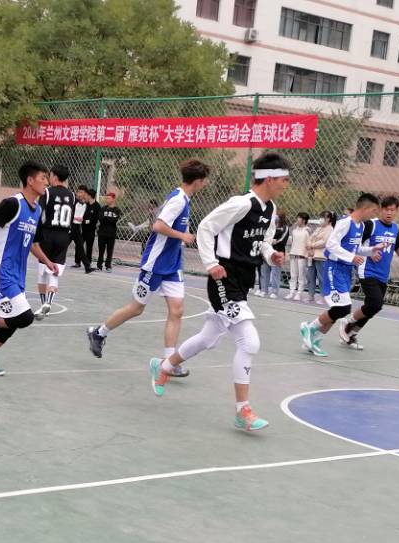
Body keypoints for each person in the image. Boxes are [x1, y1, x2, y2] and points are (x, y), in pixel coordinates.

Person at [149, 153, 290, 431]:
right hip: (224, 278)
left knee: (208, 338)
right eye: (284, 179)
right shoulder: (241, 204)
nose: (286, 184)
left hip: (243, 281)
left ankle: (164, 366)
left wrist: (271, 254)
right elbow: (206, 227)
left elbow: (263, 241)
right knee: (249, 342)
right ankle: (243, 411)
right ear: (269, 179)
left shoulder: (270, 209)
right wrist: (211, 263)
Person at [86, 159, 211, 376]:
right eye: (205, 180)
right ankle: (99, 332)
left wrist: (181, 236)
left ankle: (169, 363)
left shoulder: (184, 198)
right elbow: (158, 226)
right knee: (136, 308)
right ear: (198, 181)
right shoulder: (178, 200)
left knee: (177, 310)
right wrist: (182, 235)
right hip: (155, 264)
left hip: (172, 265)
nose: (206, 183)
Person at [0, 161, 58, 376]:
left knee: (14, 320)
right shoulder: (13, 204)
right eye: (43, 178)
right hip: (2, 273)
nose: (46, 183)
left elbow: (33, 243)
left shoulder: (37, 210)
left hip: (17, 275)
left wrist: (47, 261)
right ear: (30, 180)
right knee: (24, 317)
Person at [299, 194, 382, 358]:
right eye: (373, 211)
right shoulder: (345, 223)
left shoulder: (361, 226)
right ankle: (310, 327)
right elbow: (331, 245)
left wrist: (371, 251)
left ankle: (315, 341)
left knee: (338, 309)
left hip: (346, 270)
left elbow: (355, 249)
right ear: (365, 208)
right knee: (342, 308)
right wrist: (351, 257)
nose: (374, 215)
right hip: (334, 268)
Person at [339, 196, 399, 349]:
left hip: (383, 274)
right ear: (380, 210)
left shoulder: (395, 228)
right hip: (367, 270)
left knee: (373, 307)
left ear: (396, 211)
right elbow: (356, 244)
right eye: (386, 209)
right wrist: (370, 252)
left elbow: (397, 245)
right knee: (375, 303)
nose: (389, 213)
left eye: (392, 210)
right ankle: (347, 321)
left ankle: (351, 334)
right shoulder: (370, 225)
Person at [34, 164, 75, 320]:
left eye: (50, 175)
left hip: (47, 234)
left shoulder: (47, 192)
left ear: (55, 177)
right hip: (64, 235)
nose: (48, 178)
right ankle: (49, 303)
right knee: (55, 271)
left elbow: (39, 213)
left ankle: (44, 304)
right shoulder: (72, 195)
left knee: (42, 271)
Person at [256, 211, 288, 298]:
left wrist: (273, 241)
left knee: (275, 273)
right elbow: (263, 237)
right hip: (266, 252)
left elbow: (282, 240)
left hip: (277, 252)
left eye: (277, 216)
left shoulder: (284, 228)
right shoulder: (269, 226)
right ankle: (264, 290)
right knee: (264, 271)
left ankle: (274, 292)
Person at [305, 211, 334, 304]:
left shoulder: (330, 229)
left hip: (321, 256)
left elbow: (324, 242)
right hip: (312, 255)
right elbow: (310, 238)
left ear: (328, 219)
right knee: (310, 276)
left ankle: (324, 296)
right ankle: (310, 295)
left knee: (322, 278)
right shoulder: (318, 228)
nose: (321, 219)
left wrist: (312, 245)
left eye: (323, 217)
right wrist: (309, 246)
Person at [285, 212, 310, 301]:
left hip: (302, 256)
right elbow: (292, 242)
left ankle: (299, 293)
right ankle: (292, 291)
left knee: (301, 276)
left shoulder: (307, 231)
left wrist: (307, 255)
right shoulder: (294, 230)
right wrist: (289, 253)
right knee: (293, 275)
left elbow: (309, 244)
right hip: (293, 254)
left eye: (299, 218)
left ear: (304, 220)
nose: (297, 220)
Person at [96, 192, 121, 271]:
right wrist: (109, 219)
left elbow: (115, 220)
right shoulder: (103, 208)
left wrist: (107, 218)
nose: (107, 200)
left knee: (109, 251)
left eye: (109, 198)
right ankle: (99, 265)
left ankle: (108, 265)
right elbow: (101, 219)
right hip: (102, 232)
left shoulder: (117, 210)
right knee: (101, 250)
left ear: (113, 199)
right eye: (106, 198)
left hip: (111, 233)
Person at [80, 186, 100, 272]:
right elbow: (82, 215)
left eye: (87, 195)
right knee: (80, 245)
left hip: (91, 230)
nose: (85, 196)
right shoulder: (86, 205)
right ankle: (77, 261)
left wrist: (85, 221)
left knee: (89, 247)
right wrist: (84, 221)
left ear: (90, 196)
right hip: (83, 229)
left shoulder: (97, 206)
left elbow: (94, 220)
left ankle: (88, 262)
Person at [71, 186, 88, 269]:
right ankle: (54, 260)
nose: (79, 194)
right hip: (71, 226)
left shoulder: (87, 205)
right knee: (63, 245)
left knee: (80, 247)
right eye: (78, 192)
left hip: (78, 228)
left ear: (85, 194)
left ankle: (87, 266)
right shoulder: (73, 202)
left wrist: (83, 220)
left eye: (81, 192)